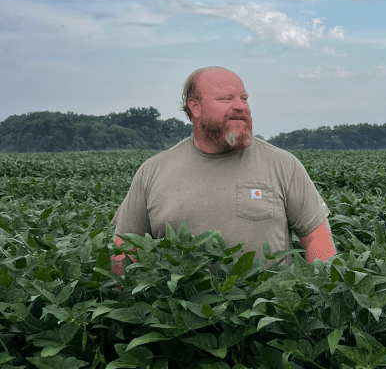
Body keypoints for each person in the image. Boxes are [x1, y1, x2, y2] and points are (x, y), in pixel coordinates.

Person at [110, 66, 337, 277]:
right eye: (226, 98)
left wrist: (314, 296)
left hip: (268, 312)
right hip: (182, 316)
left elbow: (317, 237)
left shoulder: (282, 164)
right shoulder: (153, 171)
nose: (240, 106)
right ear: (195, 106)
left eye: (244, 98)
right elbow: (125, 247)